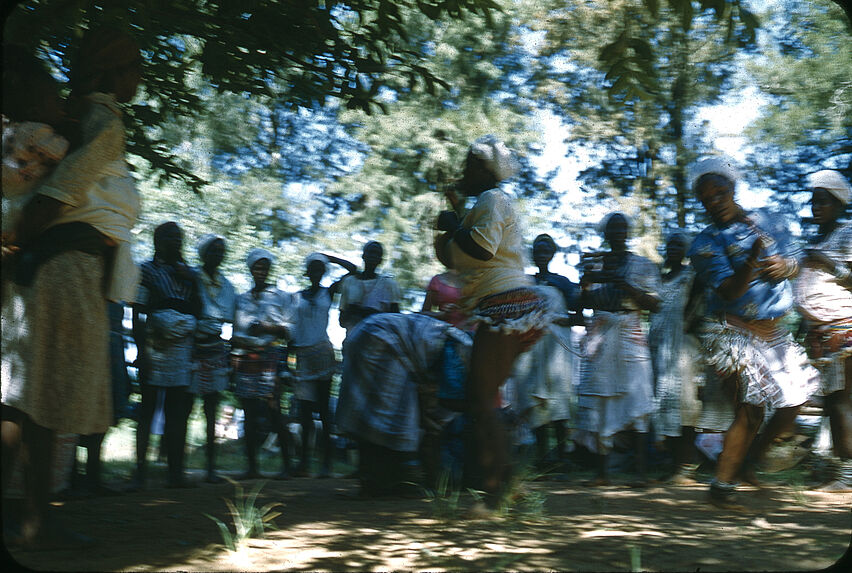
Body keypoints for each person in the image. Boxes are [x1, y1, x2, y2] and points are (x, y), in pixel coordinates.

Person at [2, 28, 142, 548]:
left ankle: (34, 513)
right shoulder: (101, 118)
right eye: (132, 68)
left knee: (23, 395)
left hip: (52, 263)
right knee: (40, 398)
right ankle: (39, 518)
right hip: (63, 266)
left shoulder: (66, 122)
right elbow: (62, 189)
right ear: (111, 72)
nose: (138, 78)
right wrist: (25, 237)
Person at [687, 157, 819, 509]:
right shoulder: (703, 243)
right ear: (700, 201)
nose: (714, 200)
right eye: (705, 197)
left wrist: (786, 265)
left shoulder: (769, 219)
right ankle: (721, 488)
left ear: (733, 189)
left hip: (775, 332)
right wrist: (753, 259)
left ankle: (747, 464)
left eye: (720, 192)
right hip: (732, 330)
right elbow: (729, 290)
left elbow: (795, 260)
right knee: (750, 409)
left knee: (794, 401)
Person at [434, 135, 552, 509]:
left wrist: (453, 222)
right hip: (505, 305)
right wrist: (453, 217)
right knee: (480, 398)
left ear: (487, 171)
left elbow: (480, 248)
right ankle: (495, 484)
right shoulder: (482, 206)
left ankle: (503, 488)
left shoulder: (493, 199)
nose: (464, 170)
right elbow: (456, 259)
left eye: (471, 164)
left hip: (506, 304)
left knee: (483, 399)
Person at [336, 313, 472, 496]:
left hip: (371, 334)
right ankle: (390, 482)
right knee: (392, 419)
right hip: (381, 339)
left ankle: (378, 480)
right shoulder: (462, 352)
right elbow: (443, 412)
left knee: (373, 416)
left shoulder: (462, 351)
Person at [575, 213, 661, 487]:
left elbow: (655, 304)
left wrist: (626, 286)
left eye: (622, 228)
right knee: (601, 402)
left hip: (629, 330)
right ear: (605, 234)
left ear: (628, 232)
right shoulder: (594, 264)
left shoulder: (642, 265)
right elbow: (585, 303)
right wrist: (586, 285)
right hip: (601, 332)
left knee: (638, 399)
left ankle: (640, 472)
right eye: (612, 229)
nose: (617, 233)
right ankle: (602, 473)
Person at [794, 169, 852, 492]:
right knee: (831, 402)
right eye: (813, 201)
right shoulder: (817, 240)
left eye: (823, 201)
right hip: (820, 331)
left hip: (843, 327)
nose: (816, 207)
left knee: (842, 400)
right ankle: (837, 470)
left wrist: (827, 263)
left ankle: (848, 477)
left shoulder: (847, 234)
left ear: (840, 204)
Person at [132, 222, 200, 489]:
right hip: (154, 344)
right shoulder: (147, 270)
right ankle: (139, 473)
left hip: (183, 346)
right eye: (169, 236)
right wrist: (141, 352)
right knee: (147, 410)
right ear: (157, 240)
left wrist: (191, 280)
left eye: (178, 237)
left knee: (177, 411)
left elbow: (198, 310)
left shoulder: (190, 273)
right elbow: (138, 311)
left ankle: (176, 473)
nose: (175, 241)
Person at [513, 233, 581, 470]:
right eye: (537, 251)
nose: (541, 255)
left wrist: (562, 321)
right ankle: (544, 457)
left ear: (552, 254)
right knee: (535, 399)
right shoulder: (524, 282)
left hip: (557, 347)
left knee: (559, 399)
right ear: (533, 254)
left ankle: (563, 455)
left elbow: (579, 315)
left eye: (546, 251)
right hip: (532, 346)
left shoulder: (563, 282)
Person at [290, 252, 356, 477]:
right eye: (313, 268)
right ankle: (305, 463)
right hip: (303, 356)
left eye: (321, 268)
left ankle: (326, 464)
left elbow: (354, 271)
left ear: (324, 271)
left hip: (322, 353)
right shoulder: (297, 297)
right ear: (307, 272)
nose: (317, 272)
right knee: (305, 412)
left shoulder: (328, 292)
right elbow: (292, 328)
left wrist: (331, 258)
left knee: (324, 412)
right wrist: (289, 360)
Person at [231, 248, 294, 480]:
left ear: (269, 270)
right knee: (248, 412)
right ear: (250, 269)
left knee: (274, 409)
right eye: (257, 266)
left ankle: (287, 466)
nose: (261, 271)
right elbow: (235, 332)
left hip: (270, 354)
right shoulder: (241, 299)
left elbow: (290, 331)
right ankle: (252, 467)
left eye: (265, 267)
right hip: (247, 356)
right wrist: (235, 356)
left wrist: (267, 328)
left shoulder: (281, 296)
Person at [647, 233, 703, 484]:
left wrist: (688, 327)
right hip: (659, 347)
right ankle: (673, 466)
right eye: (670, 243)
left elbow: (700, 305)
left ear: (687, 250)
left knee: (684, 403)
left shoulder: (691, 277)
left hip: (682, 347)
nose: (673, 248)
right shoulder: (659, 278)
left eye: (679, 244)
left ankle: (686, 466)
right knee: (664, 403)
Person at [188, 234, 237, 484]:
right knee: (185, 406)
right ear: (203, 253)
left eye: (221, 251)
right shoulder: (191, 277)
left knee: (211, 408)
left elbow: (228, 319)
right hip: (191, 345)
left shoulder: (228, 286)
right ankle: (176, 465)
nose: (217, 255)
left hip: (216, 347)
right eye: (213, 250)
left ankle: (210, 468)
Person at [337, 240, 401, 334]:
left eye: (377, 254)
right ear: (363, 256)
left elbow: (396, 321)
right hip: (353, 342)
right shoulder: (350, 282)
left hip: (379, 342)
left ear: (381, 260)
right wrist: (353, 310)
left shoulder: (389, 285)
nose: (373, 256)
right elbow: (342, 321)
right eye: (371, 252)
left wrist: (371, 315)